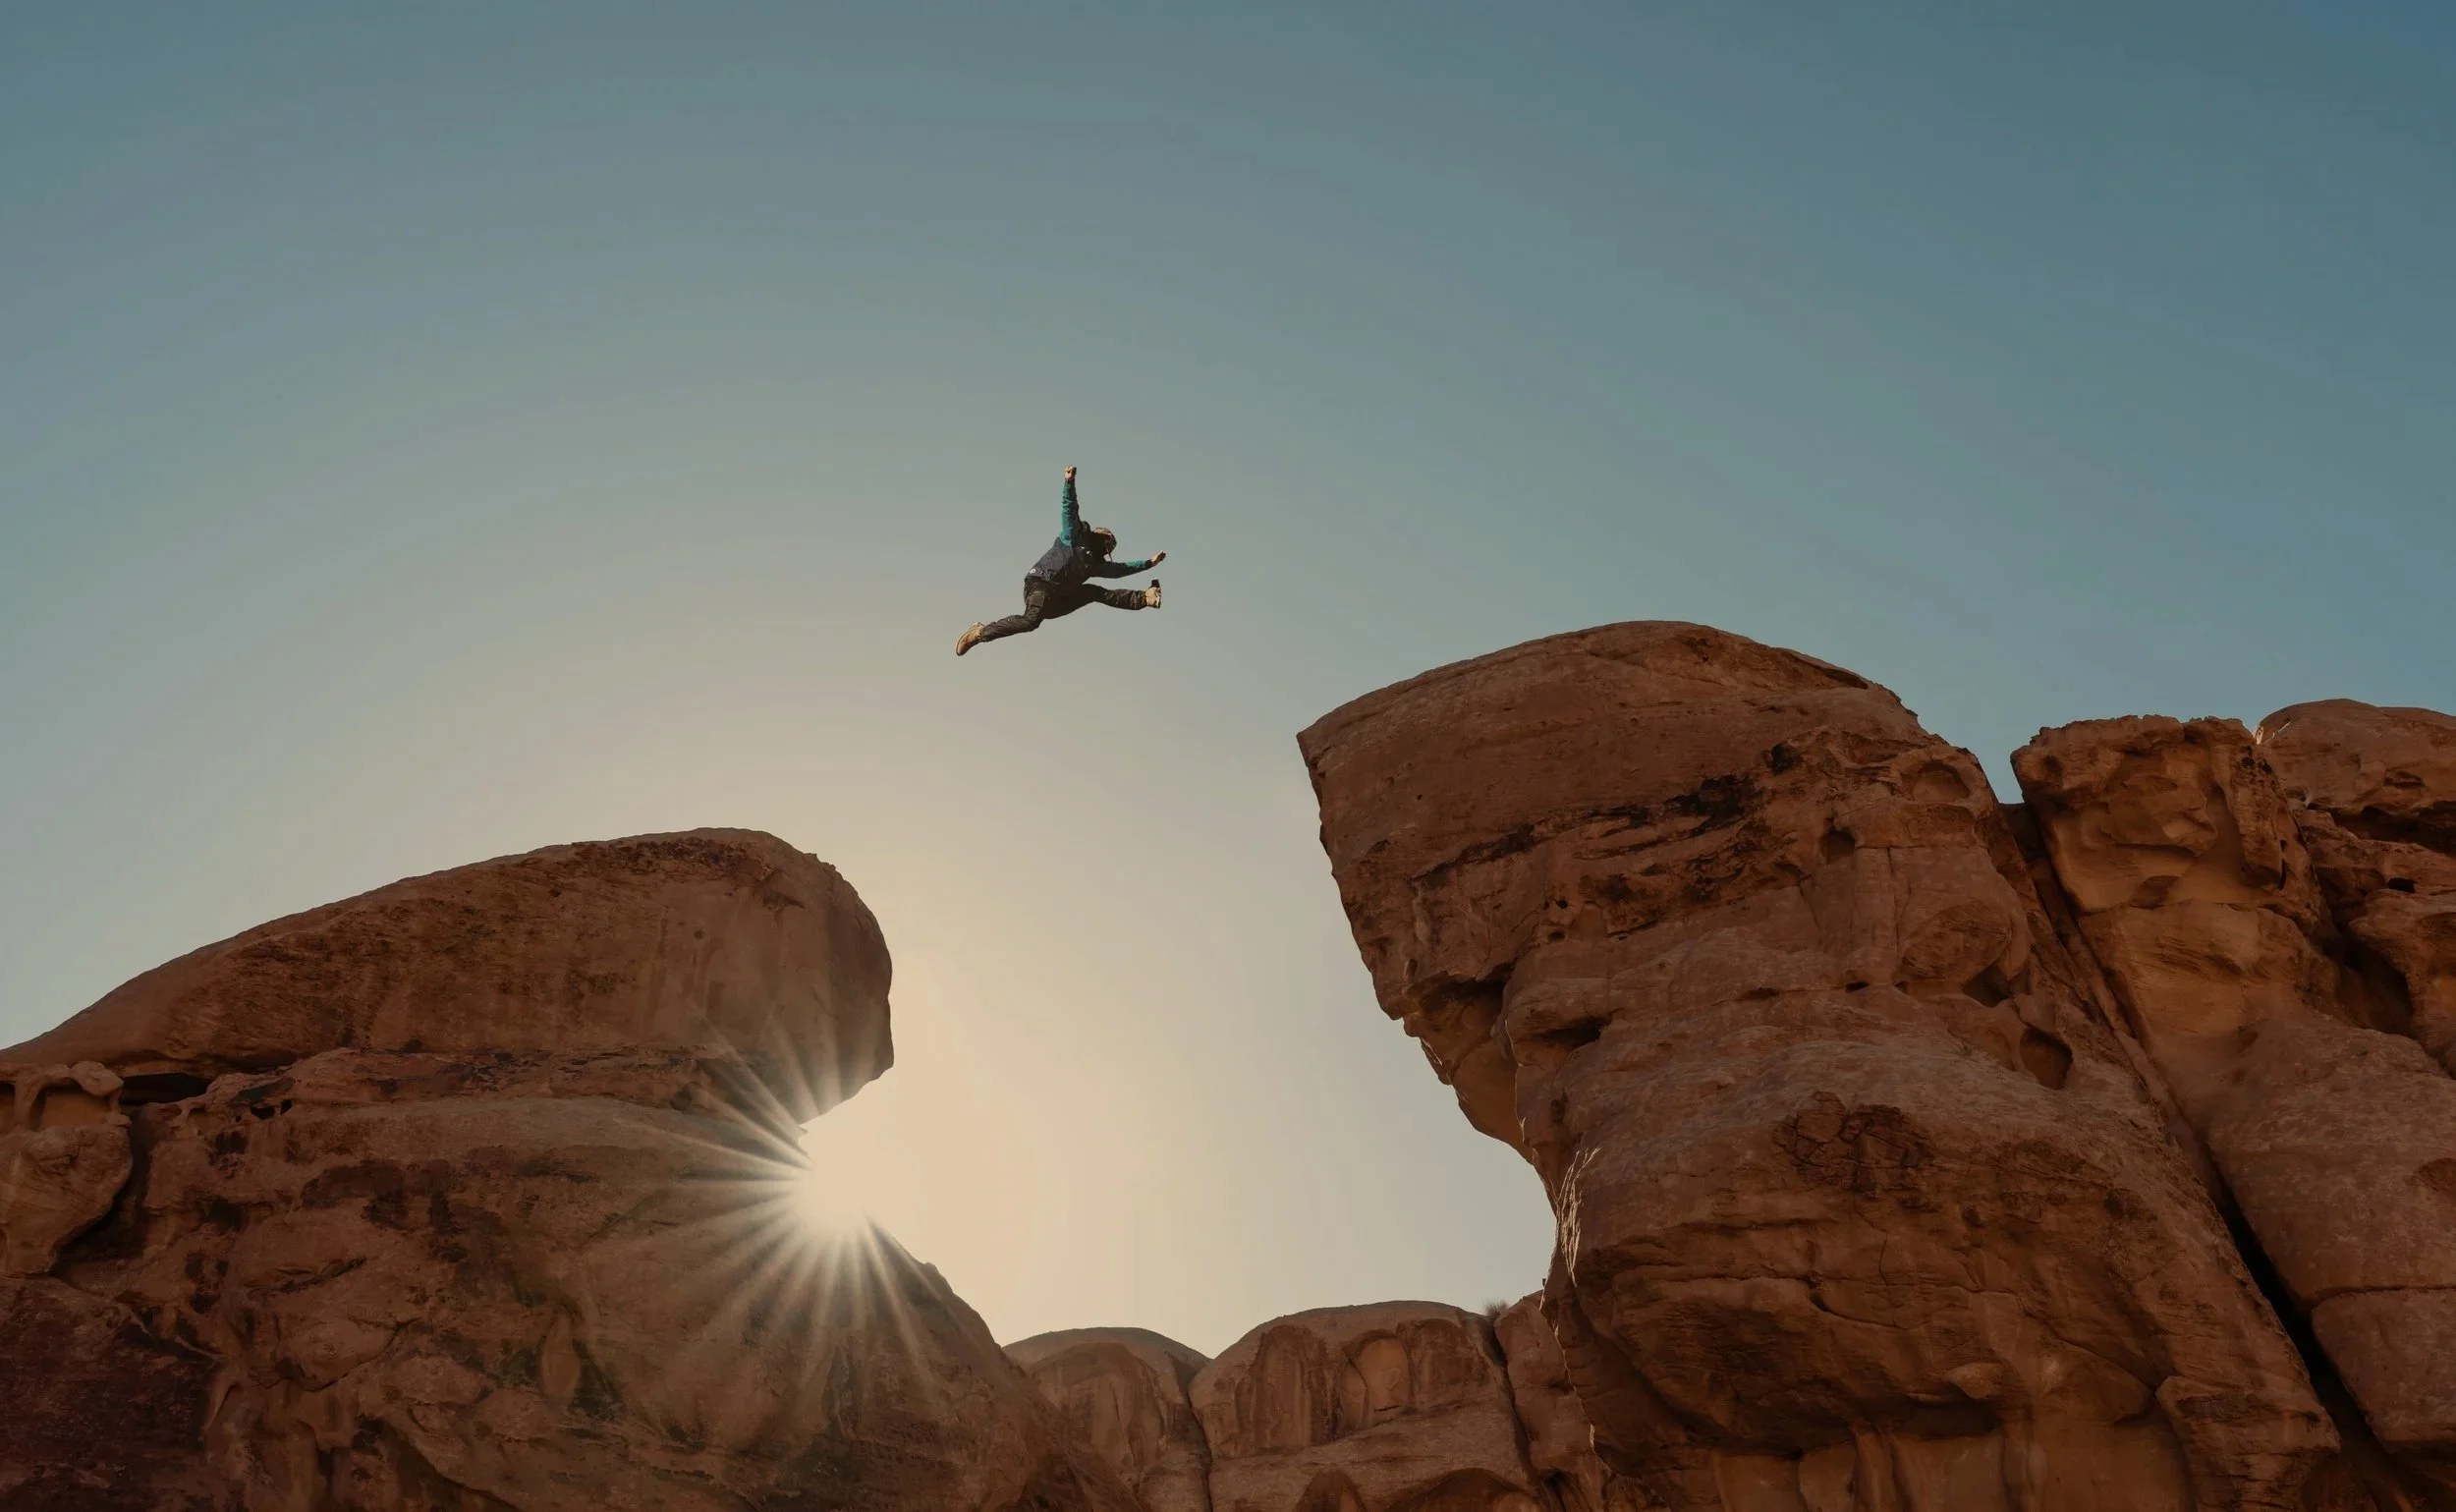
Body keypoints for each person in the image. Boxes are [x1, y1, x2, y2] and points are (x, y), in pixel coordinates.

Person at [956, 466, 1166, 655]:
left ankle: (1144, 598)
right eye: (1107, 545)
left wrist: (1148, 563)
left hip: (1057, 600)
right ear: (1100, 538)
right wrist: (1069, 483)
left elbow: (1120, 569)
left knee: (1094, 592)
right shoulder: (1074, 536)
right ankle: (980, 632)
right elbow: (1069, 511)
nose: (1106, 550)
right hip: (1040, 585)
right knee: (1031, 621)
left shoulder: (1093, 564)